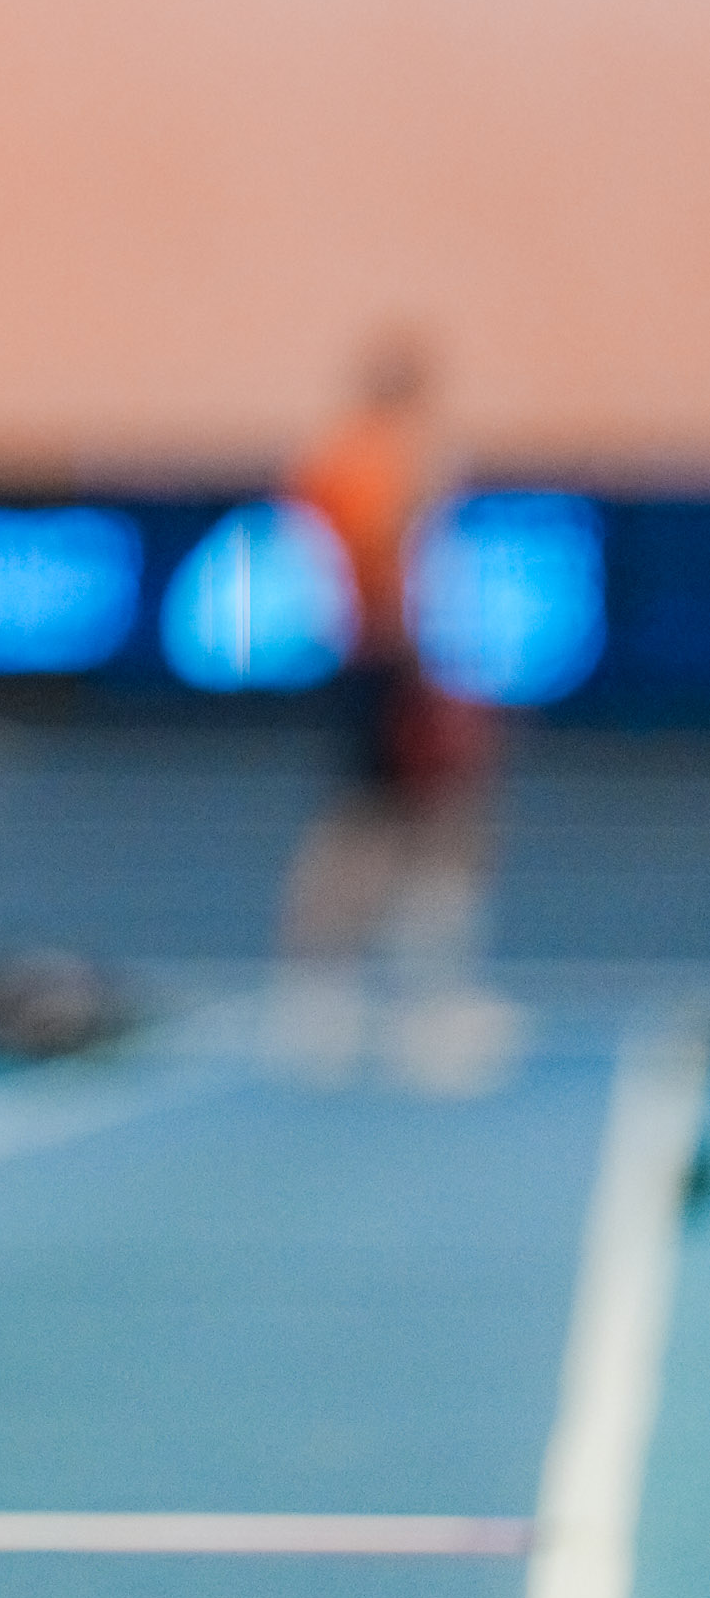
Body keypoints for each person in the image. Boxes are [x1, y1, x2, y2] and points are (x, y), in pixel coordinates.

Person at [272, 334, 512, 1093]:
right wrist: (423, 670)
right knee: (399, 831)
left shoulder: (348, 456)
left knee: (396, 830)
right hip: (392, 666)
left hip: (380, 662)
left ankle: (349, 1000)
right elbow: (384, 559)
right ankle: (391, 1005)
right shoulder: (379, 460)